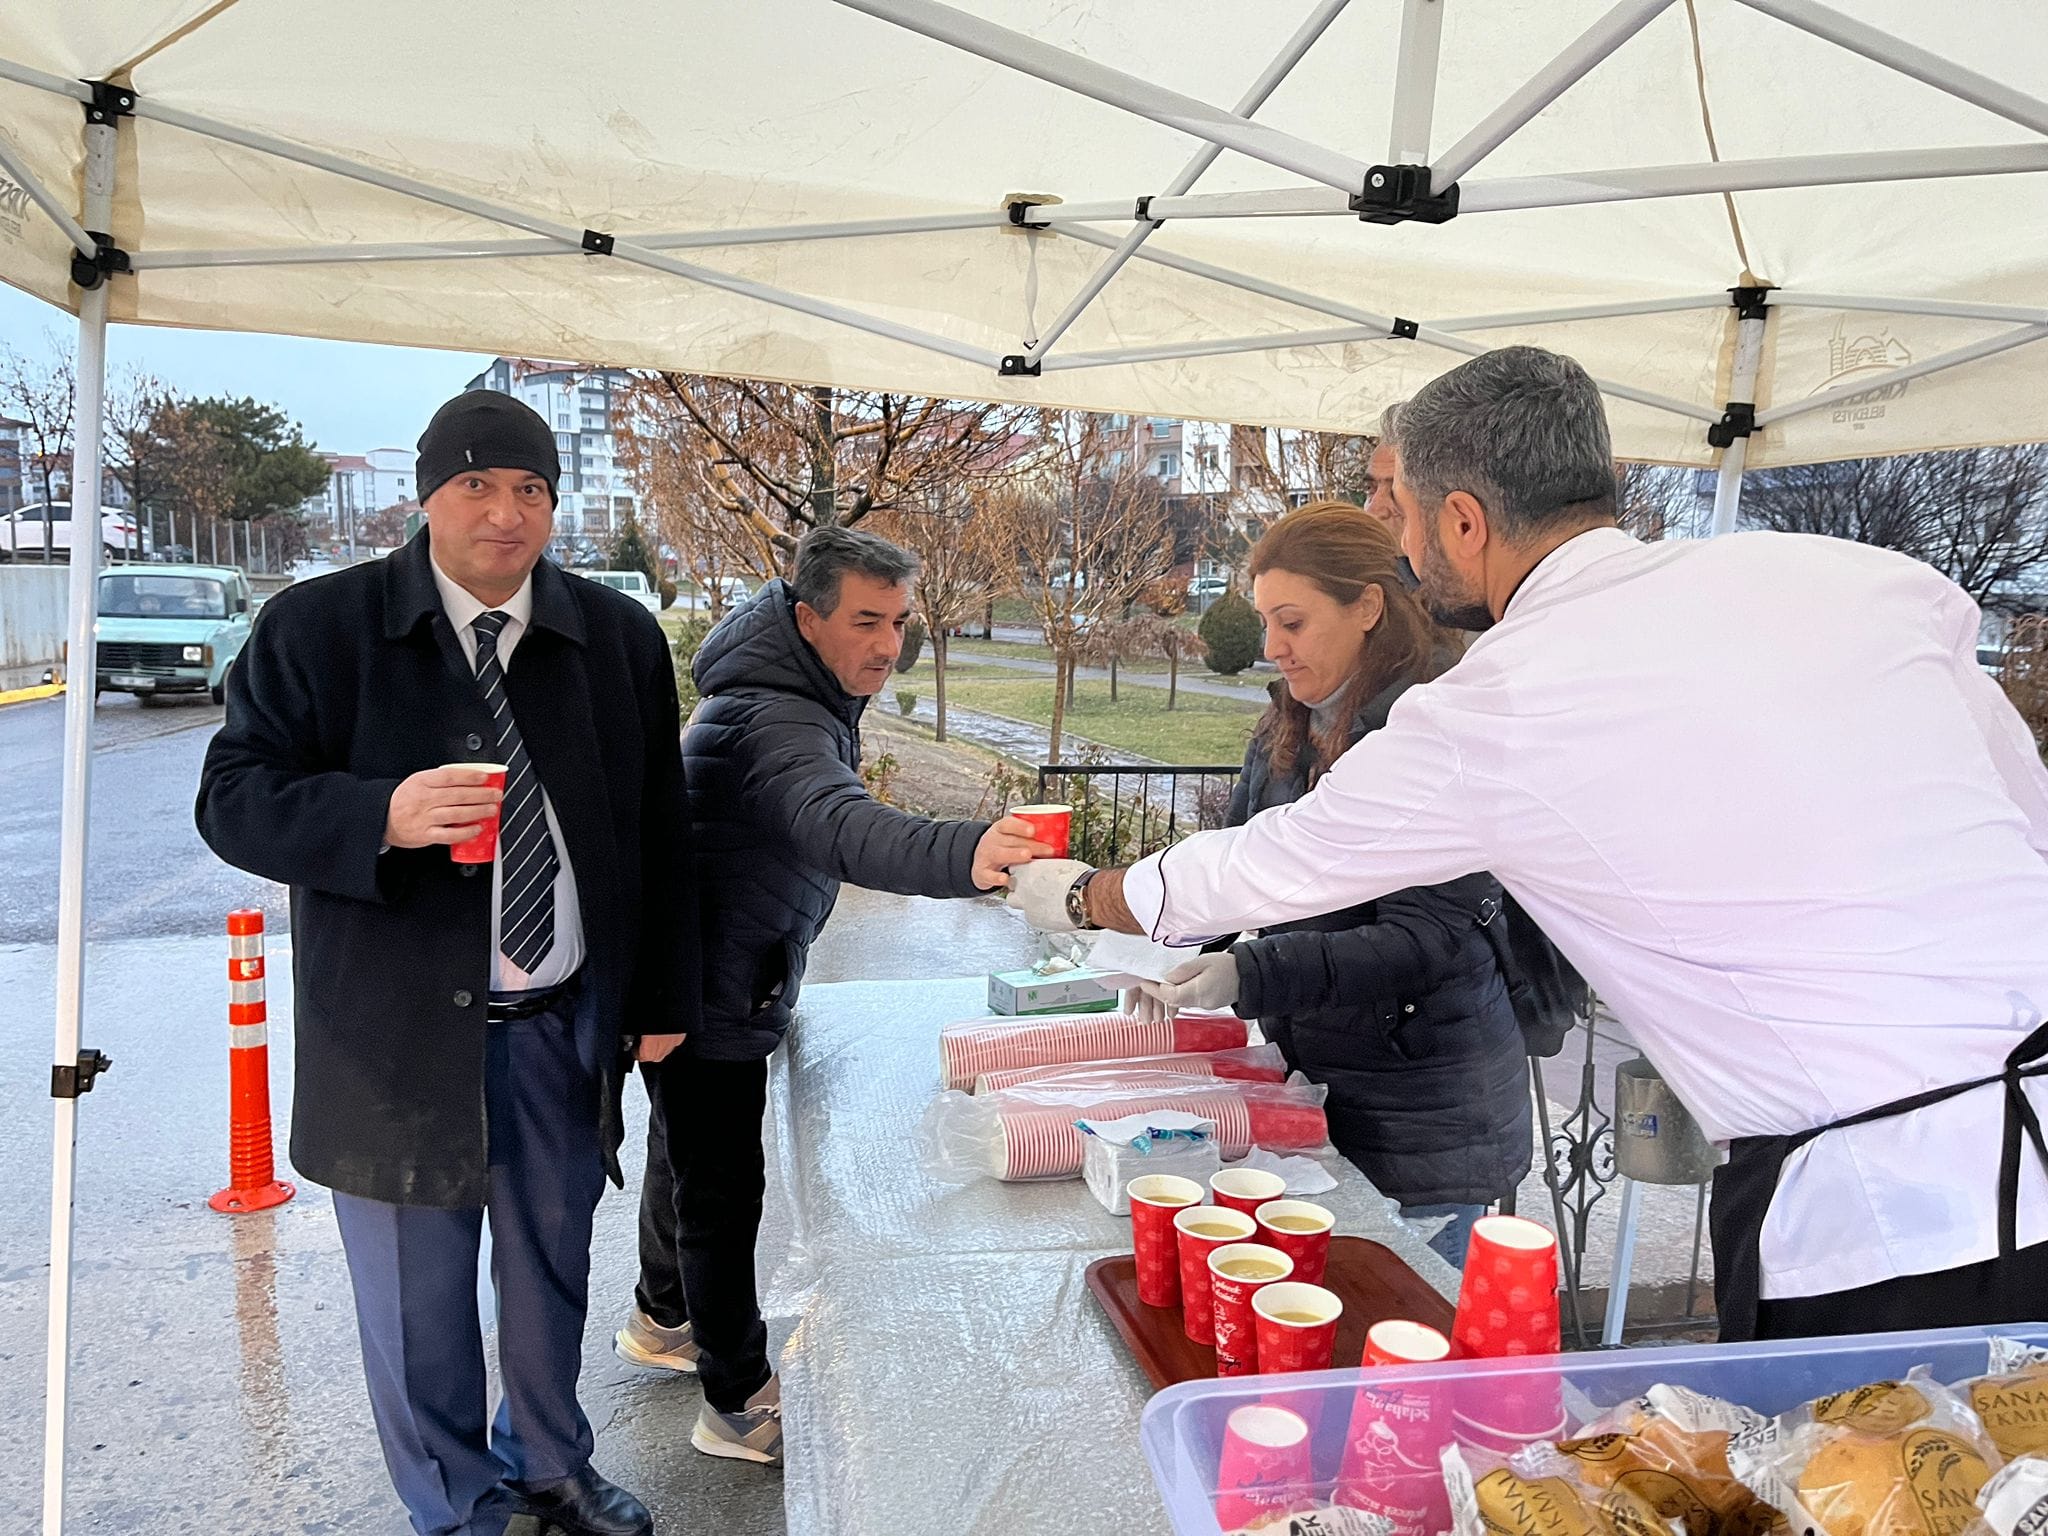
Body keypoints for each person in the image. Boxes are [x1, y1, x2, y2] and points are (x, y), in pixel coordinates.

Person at [1009, 344, 2048, 1343]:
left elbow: (1267, 864)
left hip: (1895, 1225)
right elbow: (2024, 821)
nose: (1400, 547)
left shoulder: (1504, 699)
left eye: (1401, 513)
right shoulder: (1853, 581)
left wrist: (1080, 893)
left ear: (1463, 520)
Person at [197, 390, 691, 1536]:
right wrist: (381, 813)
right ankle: (456, 1505)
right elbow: (231, 799)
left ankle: (549, 1465)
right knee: (419, 1309)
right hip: (391, 1040)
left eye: (530, 488)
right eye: (476, 485)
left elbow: (660, 830)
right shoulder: (318, 630)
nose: (505, 514)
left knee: (547, 1276)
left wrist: (657, 995)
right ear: (427, 497)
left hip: (559, 1025)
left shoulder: (612, 638)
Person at [615, 524, 1050, 1465]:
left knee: (683, 1155)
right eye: (865, 621)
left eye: (898, 621)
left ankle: (663, 1317)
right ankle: (733, 1399)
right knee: (721, 1191)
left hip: (710, 970)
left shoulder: (782, 693)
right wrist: (971, 852)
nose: (888, 645)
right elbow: (840, 825)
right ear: (808, 619)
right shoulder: (780, 718)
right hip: (714, 980)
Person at [1129, 501, 1527, 1265]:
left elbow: (1425, 939)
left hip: (1424, 1119)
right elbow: (1242, 865)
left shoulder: (1430, 736)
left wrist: (1247, 972)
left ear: (1369, 607)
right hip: (1323, 1087)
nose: (1271, 647)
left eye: (1293, 623)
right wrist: (1170, 947)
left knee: (1396, 1347)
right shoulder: (1290, 721)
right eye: (1266, 623)